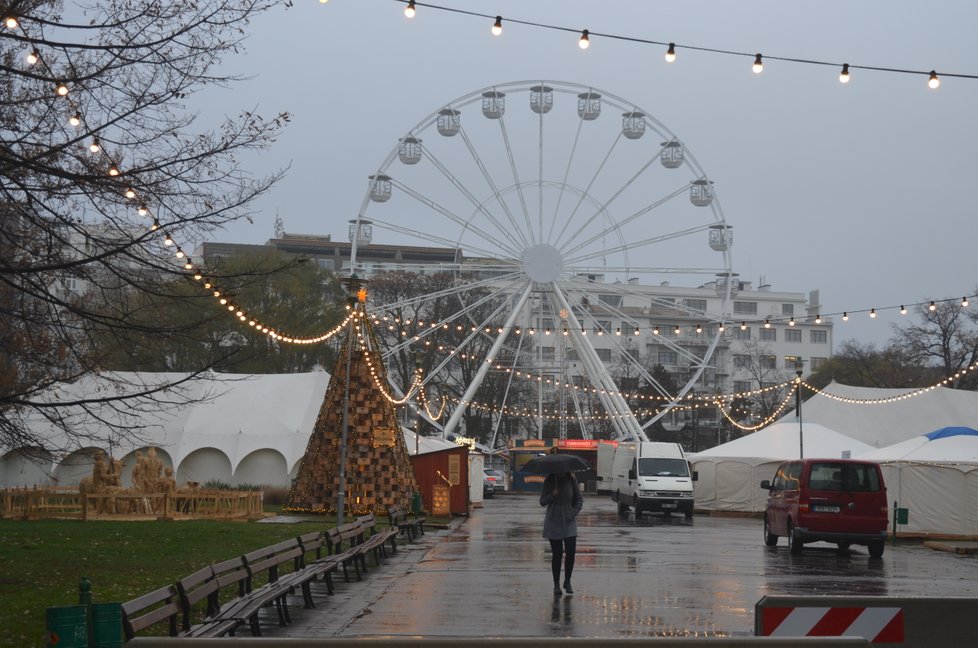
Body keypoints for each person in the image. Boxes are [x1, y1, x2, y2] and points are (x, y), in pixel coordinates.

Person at [540, 471, 583, 595]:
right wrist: (552, 495)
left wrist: (573, 512)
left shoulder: (571, 480)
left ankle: (567, 581)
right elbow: (542, 502)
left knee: (570, 552)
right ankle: (556, 584)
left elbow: (579, 500)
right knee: (557, 554)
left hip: (569, 521)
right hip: (553, 521)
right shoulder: (549, 481)